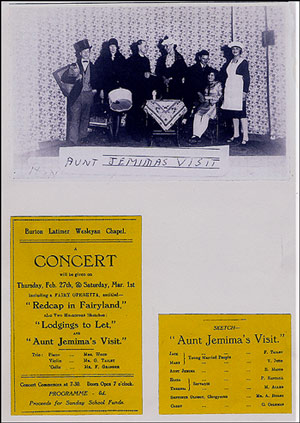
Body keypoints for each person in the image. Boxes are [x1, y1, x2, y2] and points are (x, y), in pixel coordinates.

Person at [61, 39, 98, 145]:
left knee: (85, 118)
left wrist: (95, 89)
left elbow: (98, 79)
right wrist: (75, 77)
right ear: (80, 53)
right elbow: (64, 79)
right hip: (76, 95)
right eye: (84, 52)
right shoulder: (74, 66)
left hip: (88, 95)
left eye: (88, 51)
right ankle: (73, 141)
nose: (87, 54)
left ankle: (83, 137)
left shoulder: (94, 66)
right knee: (75, 118)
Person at [94, 38, 127, 140]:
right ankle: (110, 134)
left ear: (117, 47)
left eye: (114, 46)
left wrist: (122, 86)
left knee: (117, 110)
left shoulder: (121, 59)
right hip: (107, 88)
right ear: (108, 48)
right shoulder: (102, 59)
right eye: (110, 46)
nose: (112, 48)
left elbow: (125, 75)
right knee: (108, 110)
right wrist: (101, 90)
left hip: (118, 89)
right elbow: (98, 76)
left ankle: (116, 135)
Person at [126, 39, 157, 141]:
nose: (146, 48)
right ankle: (134, 133)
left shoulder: (146, 60)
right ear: (139, 47)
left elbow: (147, 75)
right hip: (136, 90)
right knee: (135, 111)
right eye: (145, 46)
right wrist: (142, 75)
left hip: (145, 89)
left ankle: (143, 131)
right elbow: (129, 76)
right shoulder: (132, 59)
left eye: (147, 46)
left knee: (144, 111)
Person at [221, 41, 250, 145]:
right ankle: (236, 134)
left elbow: (246, 78)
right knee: (233, 112)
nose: (235, 50)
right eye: (233, 49)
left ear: (240, 50)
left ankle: (245, 136)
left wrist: (245, 92)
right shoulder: (229, 62)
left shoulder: (243, 62)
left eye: (237, 49)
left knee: (242, 113)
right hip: (230, 89)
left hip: (239, 89)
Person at [189, 69, 222, 144]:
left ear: (215, 76)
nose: (210, 77)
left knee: (205, 117)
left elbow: (220, 97)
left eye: (212, 75)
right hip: (205, 105)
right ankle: (195, 135)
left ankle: (197, 136)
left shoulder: (218, 85)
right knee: (197, 115)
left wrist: (210, 98)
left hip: (214, 106)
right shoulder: (207, 85)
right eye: (209, 75)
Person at [183, 49, 214, 118]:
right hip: (193, 93)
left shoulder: (210, 70)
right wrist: (199, 94)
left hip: (205, 93)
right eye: (203, 59)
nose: (205, 61)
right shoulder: (191, 69)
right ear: (199, 58)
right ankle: (186, 119)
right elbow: (190, 84)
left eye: (207, 59)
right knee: (189, 102)